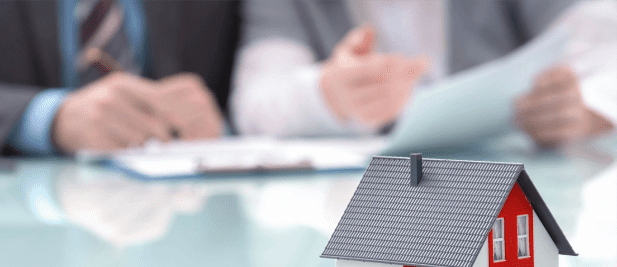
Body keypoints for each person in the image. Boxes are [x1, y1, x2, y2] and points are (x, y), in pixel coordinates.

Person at [231, 0, 616, 148]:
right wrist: (328, 94)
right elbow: (256, 99)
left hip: (516, 179)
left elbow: (602, 36)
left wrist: (582, 105)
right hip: (366, 198)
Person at [0, 0, 239, 155]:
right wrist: (50, 119)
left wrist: (220, 124)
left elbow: (255, 75)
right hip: (3, 237)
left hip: (179, 225)